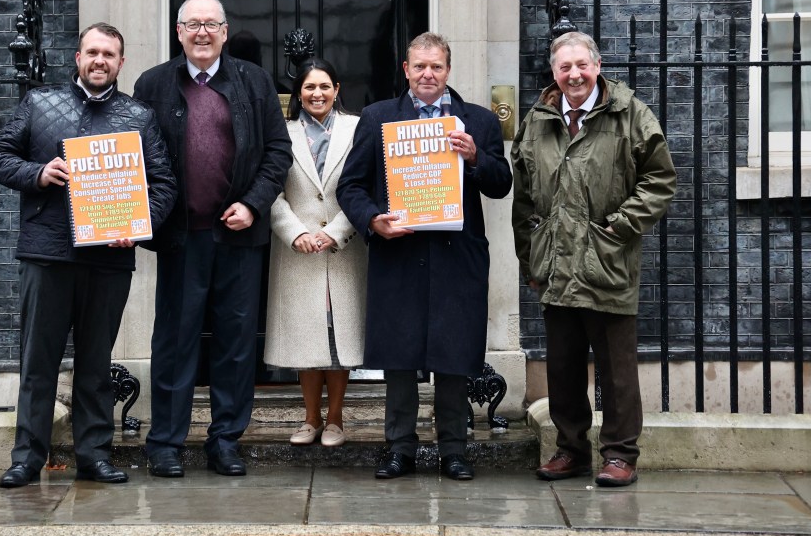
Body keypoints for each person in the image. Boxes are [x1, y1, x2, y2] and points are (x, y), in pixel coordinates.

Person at [0, 22, 176, 488]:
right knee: (38, 361)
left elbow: (164, 185)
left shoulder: (139, 116)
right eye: (92, 52)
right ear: (78, 56)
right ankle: (27, 457)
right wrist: (38, 172)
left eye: (109, 54)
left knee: (95, 363)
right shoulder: (39, 103)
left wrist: (138, 225)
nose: (99, 61)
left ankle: (94, 454)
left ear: (120, 63)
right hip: (47, 254)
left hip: (108, 259)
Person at [336, 32, 513, 481]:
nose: (428, 74)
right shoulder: (378, 119)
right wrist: (373, 219)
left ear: (448, 70)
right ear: (406, 70)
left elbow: (501, 183)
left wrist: (475, 158)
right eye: (420, 67)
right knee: (398, 356)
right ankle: (399, 447)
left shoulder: (478, 121)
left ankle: (454, 447)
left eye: (436, 66)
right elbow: (351, 186)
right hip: (400, 253)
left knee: (454, 356)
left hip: (457, 257)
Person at [133, 0, 292, 478]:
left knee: (235, 342)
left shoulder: (254, 81)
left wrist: (253, 204)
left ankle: (225, 440)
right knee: (175, 342)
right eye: (192, 24)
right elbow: (134, 154)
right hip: (182, 236)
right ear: (178, 32)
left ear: (225, 31)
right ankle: (165, 442)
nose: (202, 32)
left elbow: (277, 152)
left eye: (211, 24)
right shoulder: (153, 84)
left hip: (238, 236)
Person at [510, 31, 676, 488]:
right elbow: (523, 199)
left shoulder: (629, 114)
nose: (574, 74)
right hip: (556, 265)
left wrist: (619, 227)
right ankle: (571, 450)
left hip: (608, 261)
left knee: (617, 370)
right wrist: (531, 260)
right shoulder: (538, 120)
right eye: (564, 68)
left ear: (597, 66)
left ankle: (621, 454)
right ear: (554, 72)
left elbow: (660, 180)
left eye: (581, 65)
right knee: (562, 367)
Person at [265, 58, 367, 447]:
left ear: (337, 89)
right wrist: (294, 233)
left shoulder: (358, 129)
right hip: (298, 251)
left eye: (325, 86)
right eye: (309, 87)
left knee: (337, 336)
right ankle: (310, 419)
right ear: (299, 93)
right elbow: (271, 188)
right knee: (308, 337)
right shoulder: (282, 132)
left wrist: (338, 231)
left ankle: (337, 419)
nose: (317, 94)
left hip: (344, 249)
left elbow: (365, 183)